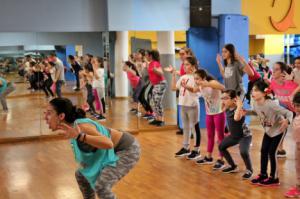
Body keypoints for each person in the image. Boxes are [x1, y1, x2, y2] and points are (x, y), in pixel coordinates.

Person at [45, 97, 140, 199]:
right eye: (45, 113)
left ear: (61, 116)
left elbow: (108, 143)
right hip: (109, 151)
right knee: (81, 176)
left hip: (126, 149)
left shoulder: (82, 127)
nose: (45, 117)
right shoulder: (72, 127)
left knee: (101, 185)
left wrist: (79, 136)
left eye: (49, 113)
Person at [246, 80, 293, 186]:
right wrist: (246, 112)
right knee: (263, 151)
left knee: (272, 153)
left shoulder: (271, 104)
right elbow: (255, 111)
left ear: (264, 93)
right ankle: (263, 174)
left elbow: (288, 112)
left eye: (256, 90)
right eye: (252, 90)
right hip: (268, 131)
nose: (253, 92)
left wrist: (287, 121)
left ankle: (274, 178)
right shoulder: (256, 103)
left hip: (279, 131)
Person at [185, 69, 226, 169]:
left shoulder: (212, 82)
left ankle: (222, 159)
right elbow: (194, 90)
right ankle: (209, 157)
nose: (196, 81)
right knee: (210, 135)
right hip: (209, 113)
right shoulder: (199, 85)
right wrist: (185, 86)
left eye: (198, 79)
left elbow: (223, 87)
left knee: (220, 137)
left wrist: (208, 84)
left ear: (204, 78)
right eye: (195, 79)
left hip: (219, 112)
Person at [219, 90, 253, 179]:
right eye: (222, 98)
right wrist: (224, 102)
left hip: (244, 136)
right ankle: (233, 166)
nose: (223, 101)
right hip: (234, 136)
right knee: (221, 147)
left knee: (243, 152)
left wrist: (239, 106)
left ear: (234, 100)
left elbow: (236, 118)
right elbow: (221, 109)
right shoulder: (227, 108)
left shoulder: (239, 110)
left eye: (225, 98)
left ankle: (249, 170)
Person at [172, 57, 201, 160]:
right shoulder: (183, 76)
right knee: (186, 127)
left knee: (195, 128)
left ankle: (197, 150)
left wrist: (195, 74)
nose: (185, 66)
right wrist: (174, 75)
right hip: (183, 105)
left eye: (187, 64)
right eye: (184, 64)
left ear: (193, 66)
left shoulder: (197, 77)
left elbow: (196, 90)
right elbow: (173, 88)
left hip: (192, 105)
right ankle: (185, 148)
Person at [285, 92, 300, 197]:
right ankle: (298, 186)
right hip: (298, 146)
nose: (296, 108)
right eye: (295, 105)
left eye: (299, 106)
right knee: (298, 166)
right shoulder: (297, 116)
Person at [147, 50, 167, 126]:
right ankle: (157, 119)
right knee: (153, 102)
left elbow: (161, 73)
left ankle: (161, 120)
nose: (146, 57)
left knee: (157, 102)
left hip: (160, 84)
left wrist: (155, 70)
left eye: (147, 55)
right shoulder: (151, 63)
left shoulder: (155, 63)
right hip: (156, 84)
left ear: (150, 56)